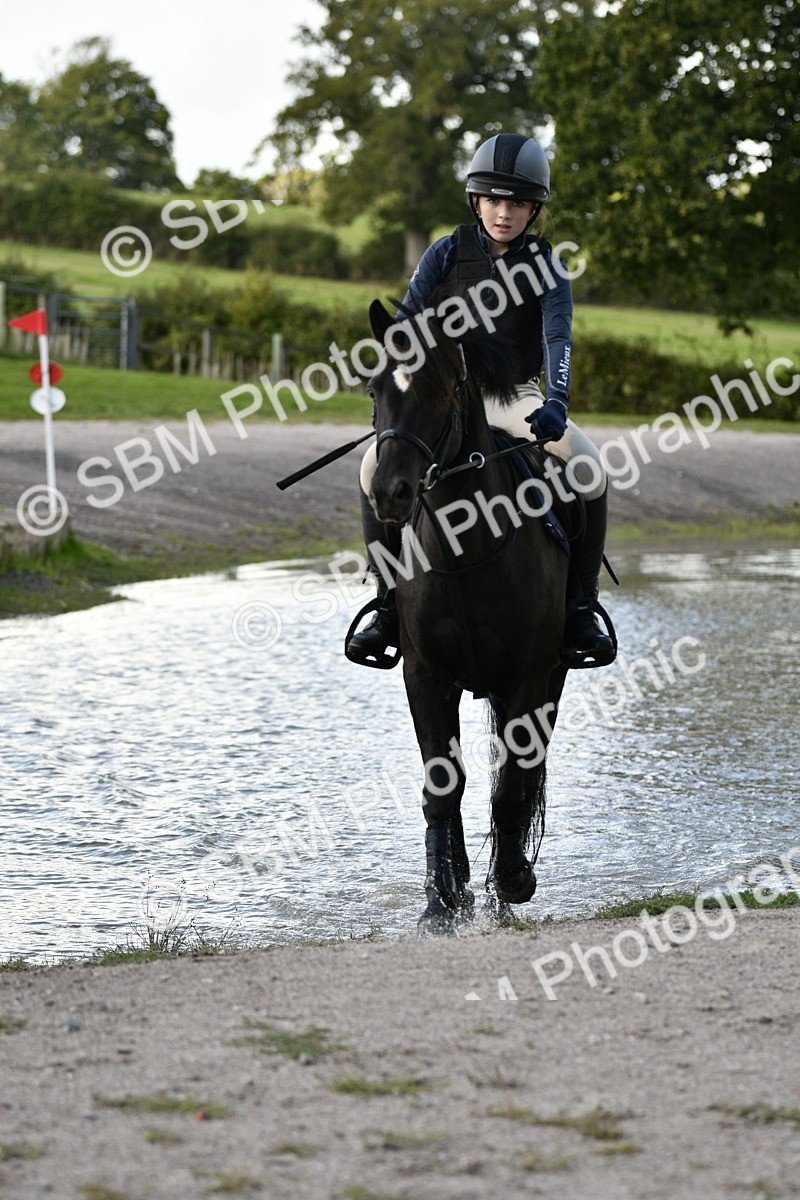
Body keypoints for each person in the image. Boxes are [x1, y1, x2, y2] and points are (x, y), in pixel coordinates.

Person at [346, 132, 615, 669]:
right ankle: (385, 605)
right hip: (449, 396)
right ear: (476, 201)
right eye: (493, 199)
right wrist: (401, 399)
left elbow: (557, 337)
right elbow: (405, 332)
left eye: (517, 203)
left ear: (533, 209)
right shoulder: (445, 252)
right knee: (371, 467)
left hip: (517, 397)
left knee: (590, 469)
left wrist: (556, 399)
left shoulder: (547, 265)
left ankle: (582, 605)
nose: (504, 212)